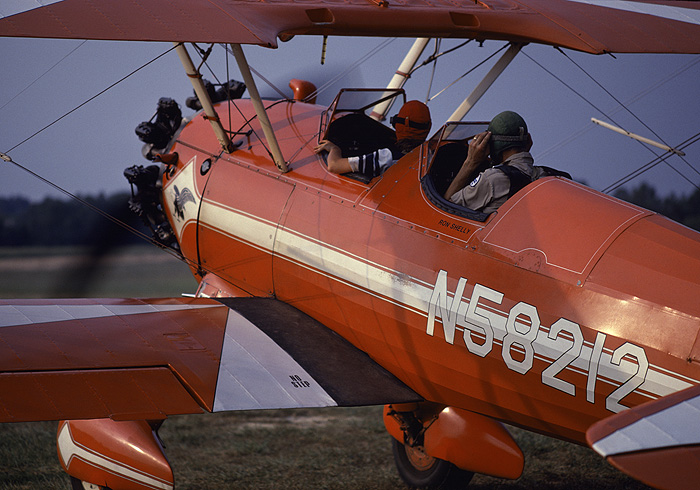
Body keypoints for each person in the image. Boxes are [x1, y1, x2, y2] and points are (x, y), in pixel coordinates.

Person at [444, 110, 543, 214]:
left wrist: (471, 162)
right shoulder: (546, 175)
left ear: (492, 145)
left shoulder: (493, 179)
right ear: (528, 141)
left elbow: (445, 210)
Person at [314, 100, 431, 179]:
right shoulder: (428, 158)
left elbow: (334, 166)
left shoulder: (387, 157)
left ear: (399, 126)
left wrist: (334, 149)